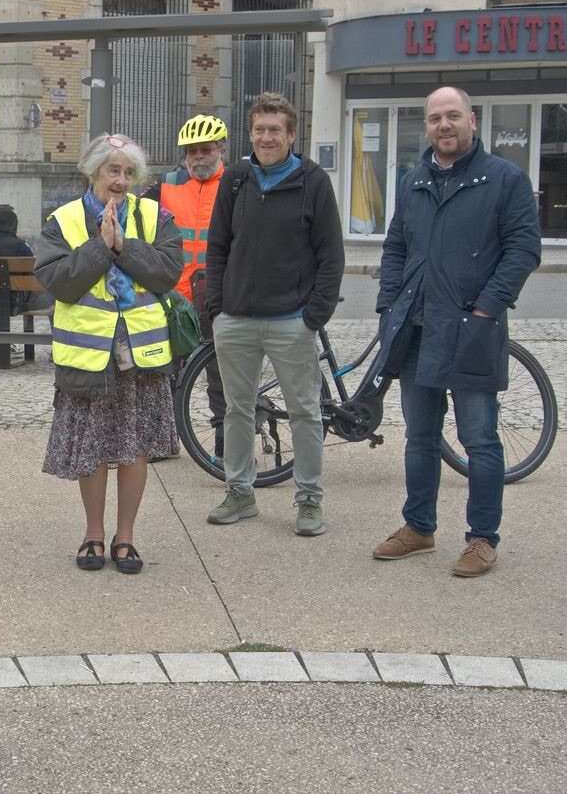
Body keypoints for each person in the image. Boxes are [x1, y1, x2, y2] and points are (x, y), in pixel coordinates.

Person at [372, 86, 540, 578]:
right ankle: (419, 527)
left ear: (472, 120)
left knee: (479, 439)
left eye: (452, 116)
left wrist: (488, 309)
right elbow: (396, 246)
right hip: (415, 329)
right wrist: (388, 303)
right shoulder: (414, 179)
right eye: (434, 119)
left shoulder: (504, 179)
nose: (443, 126)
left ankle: (482, 538)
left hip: (472, 328)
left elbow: (523, 250)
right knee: (419, 436)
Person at [35, 134, 182, 574]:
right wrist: (101, 246)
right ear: (93, 172)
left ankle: (126, 537)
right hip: (88, 355)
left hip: (141, 354)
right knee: (94, 449)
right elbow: (58, 281)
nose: (120, 181)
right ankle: (93, 535)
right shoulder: (62, 220)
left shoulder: (155, 216)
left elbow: (167, 273)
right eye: (112, 171)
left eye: (128, 172)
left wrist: (124, 246)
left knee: (134, 446)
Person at [203, 93, 344, 537]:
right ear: (251, 134)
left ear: (291, 134)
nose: (267, 137)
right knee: (237, 410)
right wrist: (217, 309)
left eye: (275, 130)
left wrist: (313, 315)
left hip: (291, 320)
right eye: (260, 130)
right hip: (237, 318)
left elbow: (331, 256)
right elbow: (218, 245)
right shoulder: (237, 179)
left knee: (305, 413)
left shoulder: (313, 182)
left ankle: (308, 502)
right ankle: (240, 493)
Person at [144, 114, 230, 453]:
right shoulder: (165, 186)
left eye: (205, 150)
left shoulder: (236, 184)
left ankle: (225, 444)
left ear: (220, 149)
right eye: (191, 151)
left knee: (221, 375)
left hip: (220, 295)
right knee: (164, 373)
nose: (198, 157)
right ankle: (163, 441)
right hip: (175, 298)